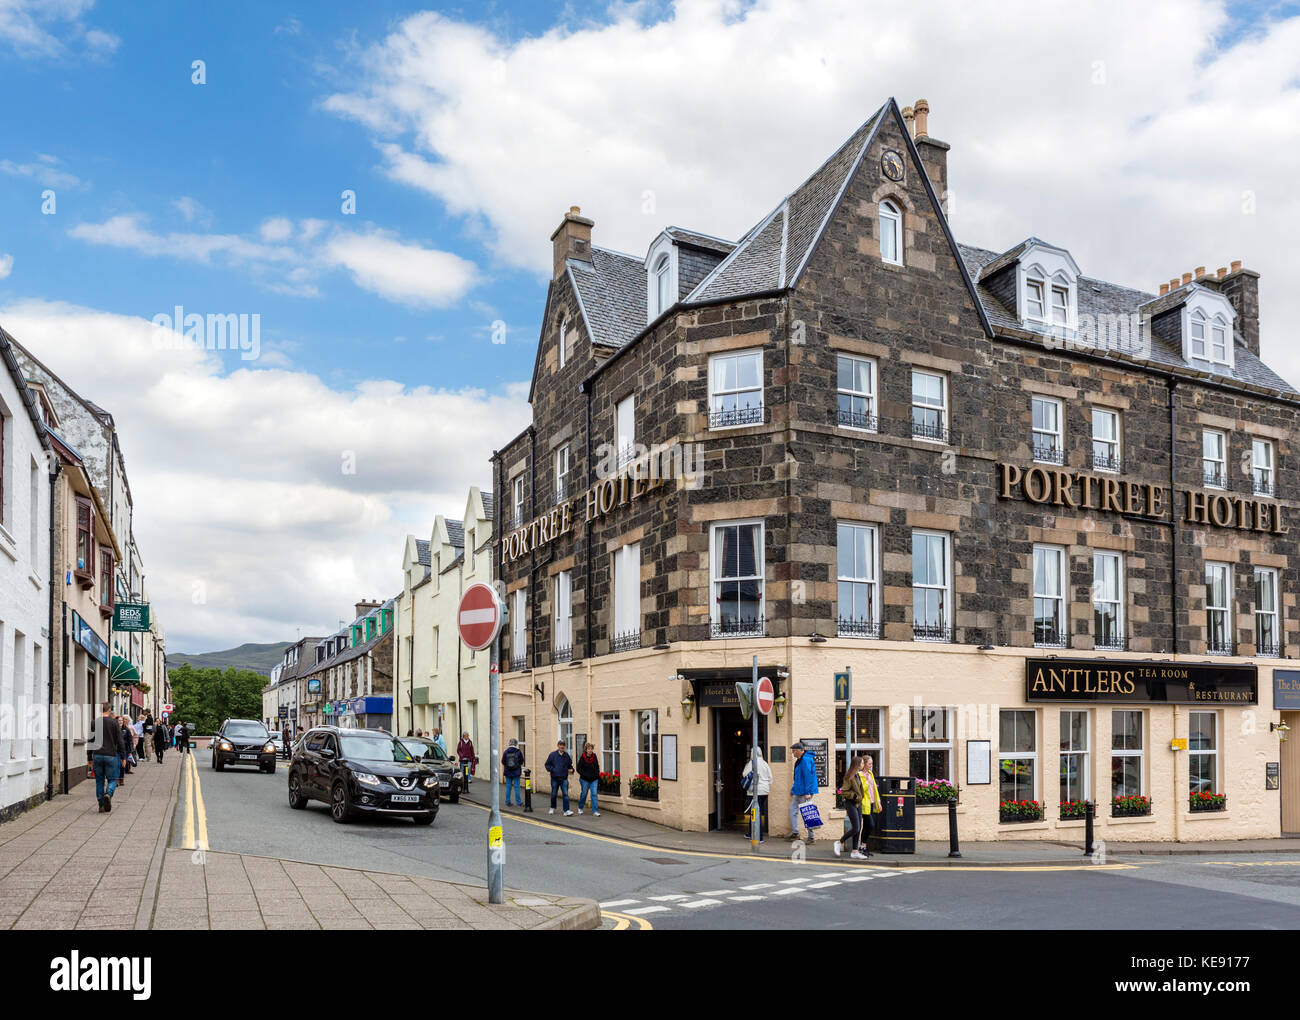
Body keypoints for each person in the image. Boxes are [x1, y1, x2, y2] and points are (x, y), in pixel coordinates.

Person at [88, 703, 122, 812]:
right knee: (112, 779)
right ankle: (108, 793)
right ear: (109, 710)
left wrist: (89, 757)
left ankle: (101, 805)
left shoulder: (94, 722)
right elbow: (120, 740)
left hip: (97, 755)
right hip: (110, 755)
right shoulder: (114, 722)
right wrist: (123, 756)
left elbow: (91, 740)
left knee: (99, 781)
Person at [834, 756, 866, 859]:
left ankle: (855, 851)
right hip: (850, 803)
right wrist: (855, 796)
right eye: (861, 763)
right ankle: (839, 842)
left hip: (858, 803)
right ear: (857, 764)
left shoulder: (857, 775)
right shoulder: (849, 777)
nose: (863, 765)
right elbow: (844, 792)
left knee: (859, 827)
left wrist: (860, 797)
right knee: (856, 827)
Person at [788, 741, 819, 842]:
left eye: (794, 751)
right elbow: (798, 777)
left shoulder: (805, 760)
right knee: (793, 809)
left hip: (805, 791)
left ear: (799, 751)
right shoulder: (800, 760)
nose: (793, 753)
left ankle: (811, 837)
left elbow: (808, 777)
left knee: (807, 813)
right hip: (799, 790)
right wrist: (793, 789)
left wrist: (807, 792)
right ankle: (795, 832)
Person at [741, 746, 773, 842]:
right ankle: (751, 833)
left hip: (755, 792)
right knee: (754, 812)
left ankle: (758, 837)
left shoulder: (752, 763)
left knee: (755, 813)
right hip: (764, 791)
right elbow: (770, 779)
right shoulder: (765, 763)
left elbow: (744, 774)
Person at [859, 755, 883, 857]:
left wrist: (878, 802)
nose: (871, 765)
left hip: (871, 802)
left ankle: (863, 847)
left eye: (872, 764)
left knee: (866, 826)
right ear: (864, 764)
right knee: (870, 825)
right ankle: (862, 846)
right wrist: (865, 780)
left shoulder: (870, 773)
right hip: (864, 803)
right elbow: (862, 789)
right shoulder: (859, 775)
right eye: (869, 764)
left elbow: (874, 789)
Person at [543, 740, 574, 816]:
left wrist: (572, 770)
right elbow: (547, 765)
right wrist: (553, 770)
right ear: (558, 746)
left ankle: (566, 810)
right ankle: (552, 808)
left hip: (564, 778)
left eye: (563, 745)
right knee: (554, 794)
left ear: (564, 746)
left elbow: (570, 766)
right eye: (560, 745)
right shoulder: (552, 755)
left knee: (565, 794)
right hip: (555, 778)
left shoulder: (566, 755)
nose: (562, 746)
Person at [575, 742, 600, 816]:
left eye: (591, 749)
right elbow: (578, 769)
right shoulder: (582, 757)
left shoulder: (594, 756)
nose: (590, 750)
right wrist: (586, 775)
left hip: (594, 779)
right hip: (584, 779)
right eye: (588, 749)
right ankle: (580, 807)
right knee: (584, 794)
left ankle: (595, 811)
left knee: (594, 794)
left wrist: (596, 775)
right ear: (586, 750)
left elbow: (597, 767)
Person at [502, 738, 524, 806]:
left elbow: (503, 761)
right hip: (516, 772)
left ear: (509, 743)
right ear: (516, 744)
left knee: (508, 787)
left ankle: (508, 802)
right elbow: (521, 761)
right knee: (516, 787)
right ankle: (518, 802)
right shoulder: (518, 752)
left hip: (508, 772)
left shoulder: (506, 752)